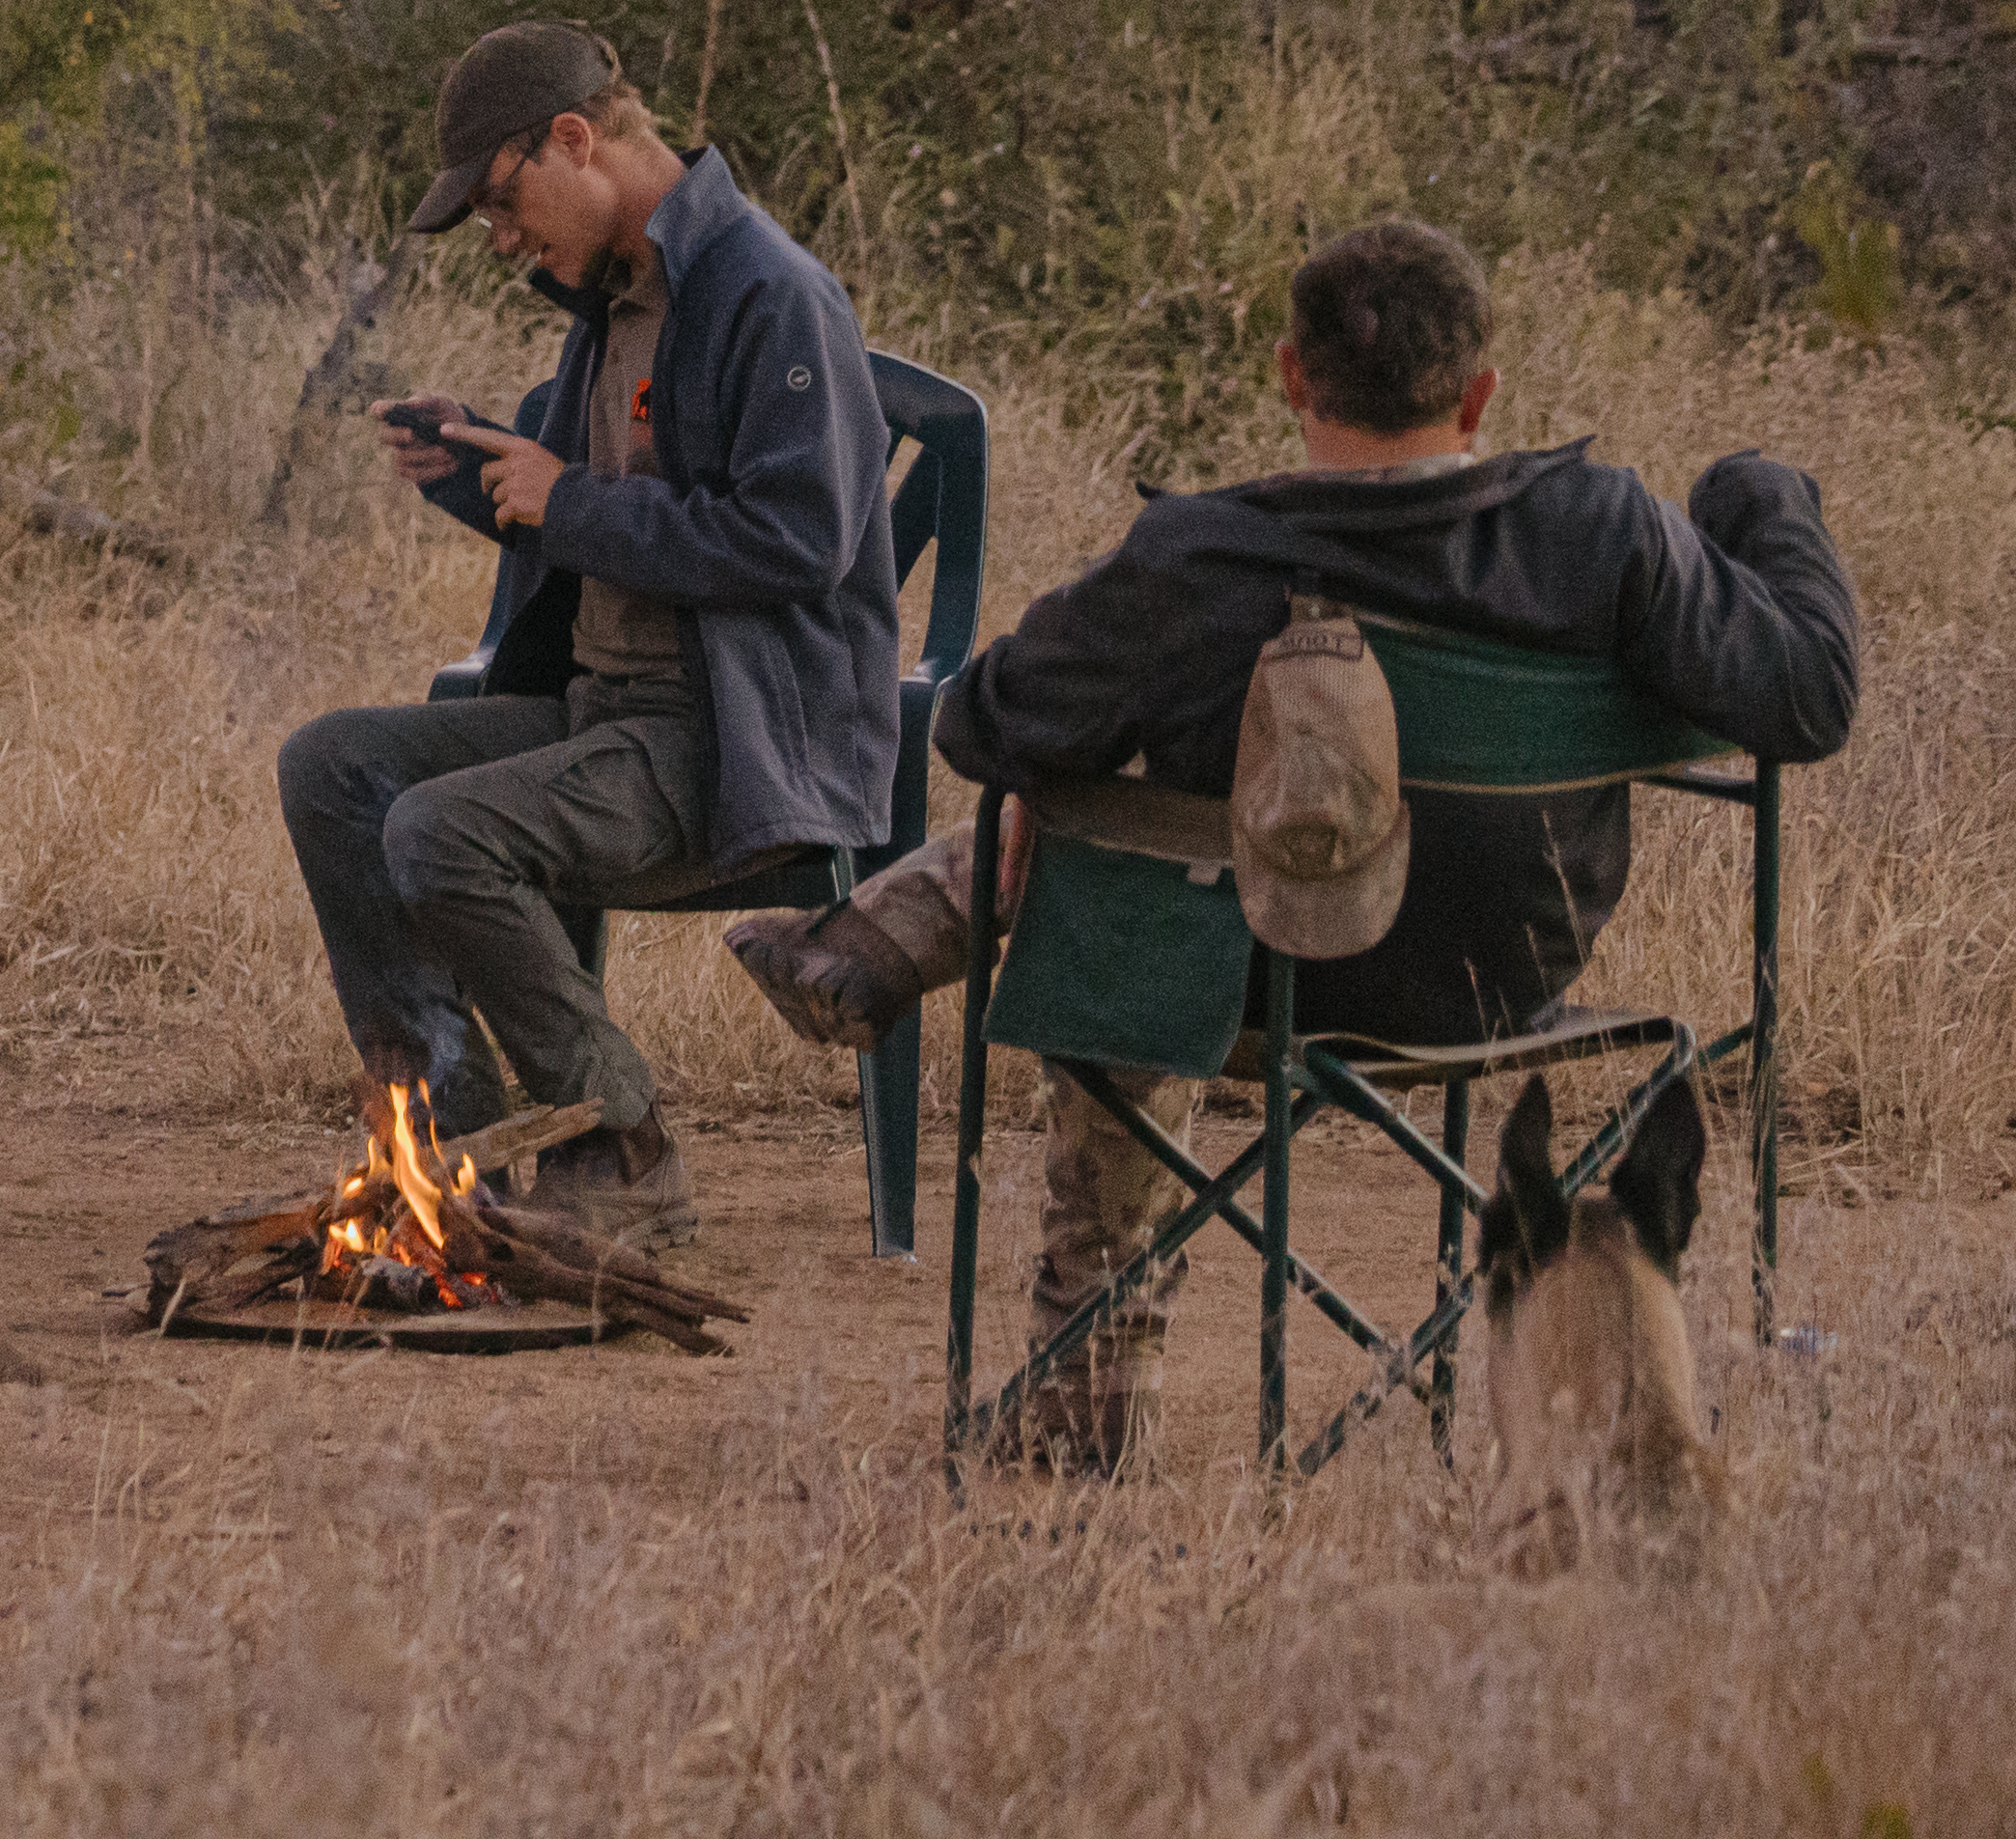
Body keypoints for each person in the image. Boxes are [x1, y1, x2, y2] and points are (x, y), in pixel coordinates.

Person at [714, 214, 1856, 1473]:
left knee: (1130, 885)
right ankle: (892, 935)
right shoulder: (1603, 533)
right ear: (1481, 390)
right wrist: (1763, 498)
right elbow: (1806, 699)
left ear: (1290, 377)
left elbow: (984, 719)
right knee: (1139, 865)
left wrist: (1062, 773)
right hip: (1501, 982)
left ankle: (1089, 1393)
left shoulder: (1204, 554)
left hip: (1252, 979)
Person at [268, 22, 896, 1251]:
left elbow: (798, 540)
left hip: (734, 739)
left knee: (438, 830)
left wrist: (571, 497)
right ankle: (451, 1149)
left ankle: (620, 1148)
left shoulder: (771, 291)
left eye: (502, 202)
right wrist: (477, 466)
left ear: (576, 138)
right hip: (613, 718)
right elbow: (584, 514)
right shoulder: (617, 297)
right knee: (330, 766)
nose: (502, 239)